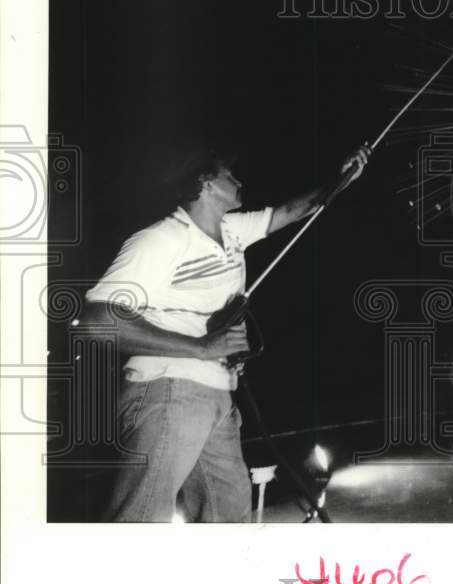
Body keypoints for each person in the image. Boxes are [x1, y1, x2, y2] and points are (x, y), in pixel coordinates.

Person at [80, 143, 370, 522]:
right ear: (205, 183)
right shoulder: (162, 239)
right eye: (228, 175)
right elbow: (98, 320)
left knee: (229, 514)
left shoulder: (232, 230)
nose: (239, 181)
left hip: (217, 395)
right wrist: (201, 347)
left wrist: (342, 178)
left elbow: (293, 210)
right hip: (168, 389)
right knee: (141, 520)